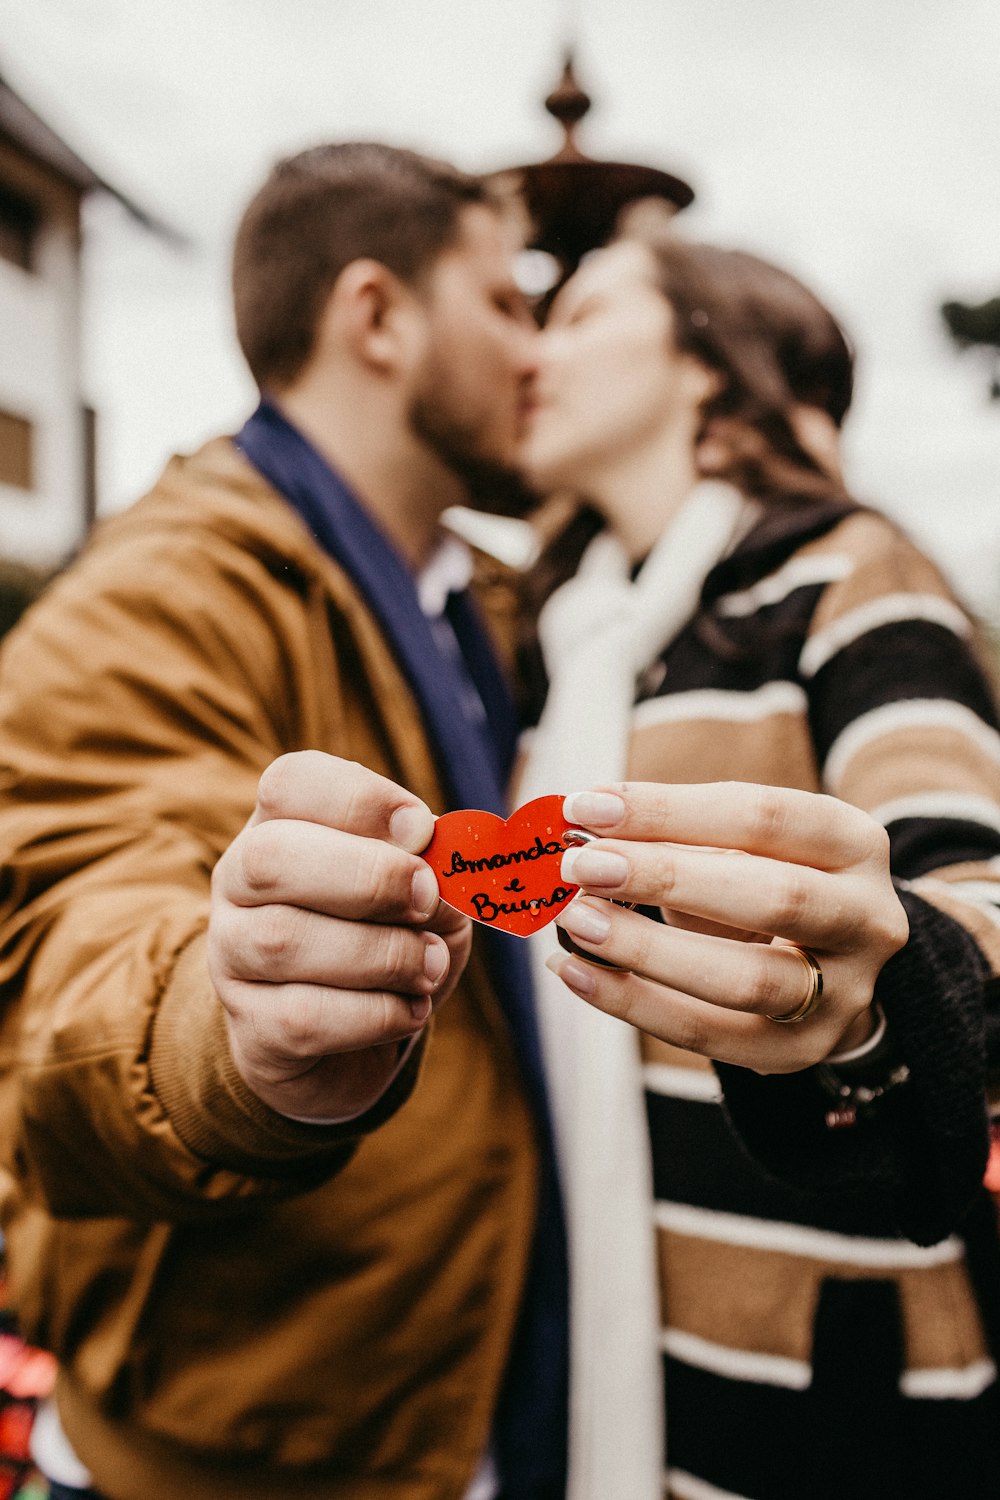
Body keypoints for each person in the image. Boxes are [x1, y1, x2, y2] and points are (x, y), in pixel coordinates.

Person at [0, 142, 570, 1500]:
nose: (537, 354)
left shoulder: (481, 602)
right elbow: (63, 970)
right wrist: (235, 1035)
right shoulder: (158, 594)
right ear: (376, 316)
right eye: (506, 304)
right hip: (237, 1453)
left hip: (446, 1415)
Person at [515, 233, 1000, 1500]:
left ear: (704, 365)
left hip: (828, 1372)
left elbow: (974, 894)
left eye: (579, 311)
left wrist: (882, 996)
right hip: (604, 1359)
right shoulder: (565, 638)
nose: (535, 346)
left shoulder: (844, 570)